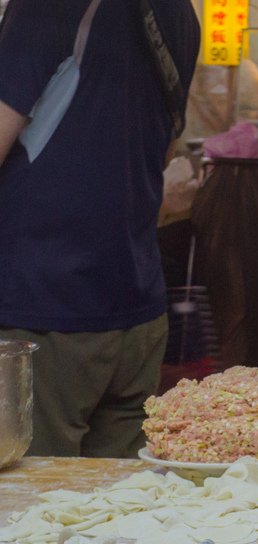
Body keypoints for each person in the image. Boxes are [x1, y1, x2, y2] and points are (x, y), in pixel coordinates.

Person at [0, 0, 200, 457]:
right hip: (137, 310)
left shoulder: (43, 8)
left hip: (41, 312)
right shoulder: (182, 15)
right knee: (116, 511)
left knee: (29, 509)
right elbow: (164, 152)